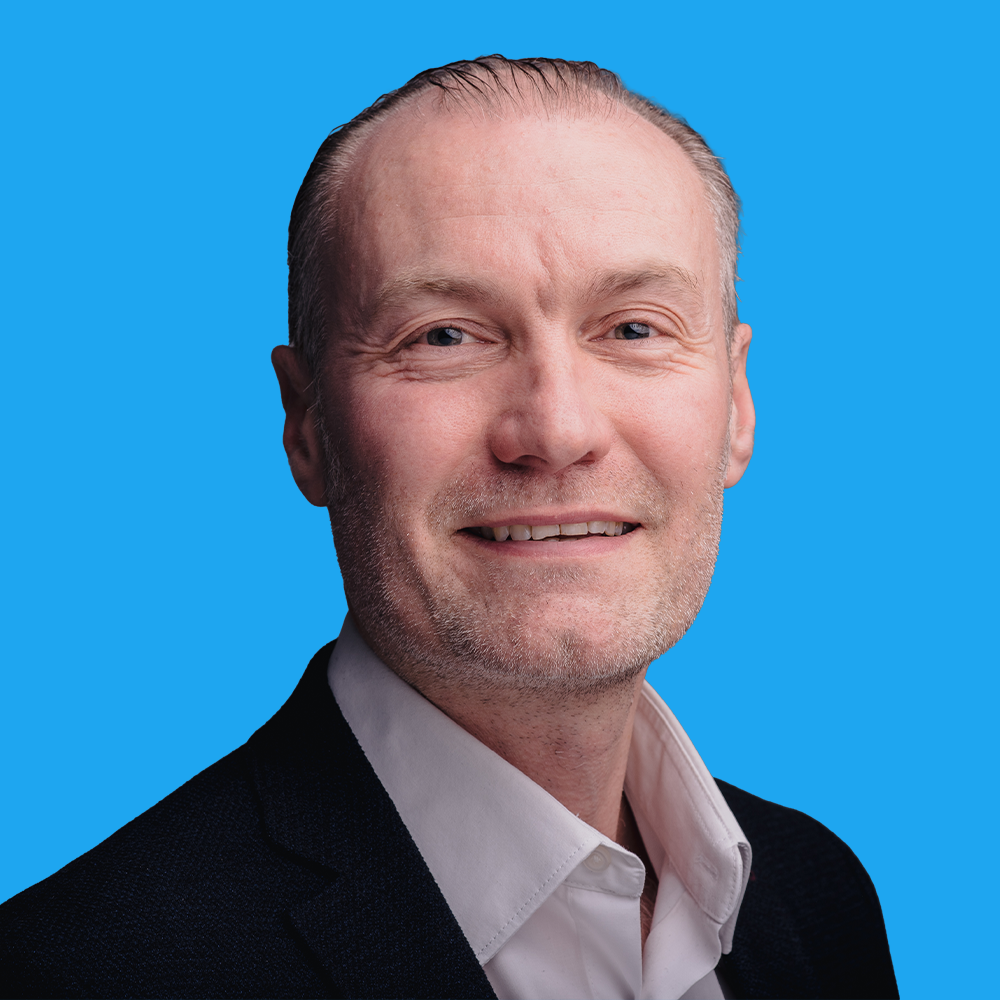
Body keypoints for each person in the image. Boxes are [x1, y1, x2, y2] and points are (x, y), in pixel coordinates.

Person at [0, 56, 897, 1000]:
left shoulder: (816, 898)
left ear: (738, 405)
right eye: (444, 337)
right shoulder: (79, 972)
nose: (556, 431)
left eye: (634, 329)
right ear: (308, 425)